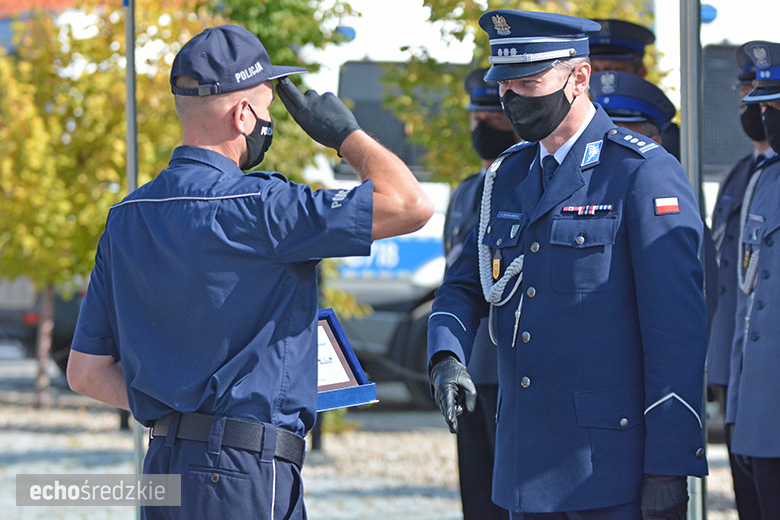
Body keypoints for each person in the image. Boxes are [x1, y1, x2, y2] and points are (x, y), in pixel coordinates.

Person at [66, 24, 433, 519]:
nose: (268, 123)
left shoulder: (127, 217)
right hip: (242, 472)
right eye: (265, 111)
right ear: (242, 115)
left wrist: (177, 405)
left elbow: (85, 372)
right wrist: (347, 135)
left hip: (164, 463)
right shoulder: (265, 208)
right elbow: (410, 204)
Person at [428, 10, 708, 519]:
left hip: (609, 469)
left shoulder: (640, 173)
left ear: (578, 78)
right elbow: (464, 284)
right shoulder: (509, 175)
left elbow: (677, 331)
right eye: (505, 83)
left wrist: (669, 464)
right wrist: (446, 354)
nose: (513, 98)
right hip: (524, 468)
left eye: (530, 81)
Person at [442, 68, 518, 520]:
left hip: (510, 364)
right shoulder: (467, 192)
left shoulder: (524, 186)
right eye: (478, 118)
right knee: (477, 494)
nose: (483, 128)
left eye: (495, 118)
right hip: (469, 364)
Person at [709, 42, 773, 520]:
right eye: (752, 96)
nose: (758, 110)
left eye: (769, 101)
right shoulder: (750, 177)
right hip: (747, 380)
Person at [728, 39, 780, 520]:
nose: (767, 117)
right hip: (764, 417)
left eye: (775, 106)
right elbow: (751, 303)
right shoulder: (766, 180)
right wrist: (741, 414)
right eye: (763, 106)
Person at [589, 19, 681, 160]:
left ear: (641, 72)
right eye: (596, 69)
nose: (604, 77)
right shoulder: (580, 127)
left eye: (615, 70)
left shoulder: (667, 135)